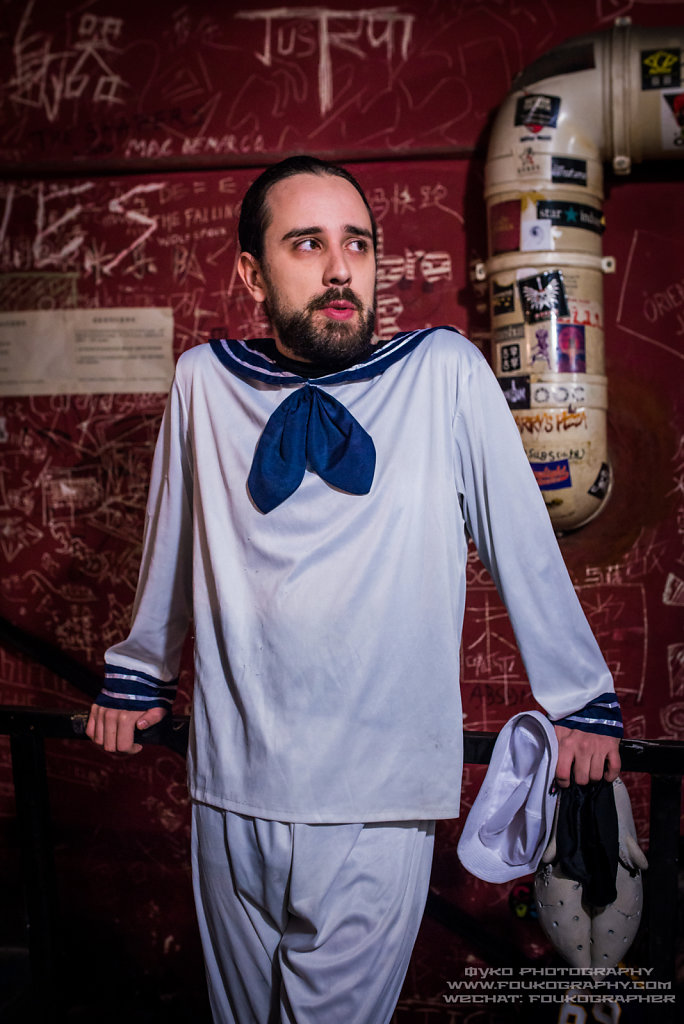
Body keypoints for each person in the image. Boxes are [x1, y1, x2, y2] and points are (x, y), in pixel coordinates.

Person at [87, 155, 622, 1024]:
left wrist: (582, 699)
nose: (341, 268)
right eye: (308, 244)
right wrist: (138, 674)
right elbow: (172, 542)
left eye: (359, 244)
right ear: (251, 274)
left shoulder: (442, 371)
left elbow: (521, 542)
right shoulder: (202, 382)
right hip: (230, 786)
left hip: (378, 796)